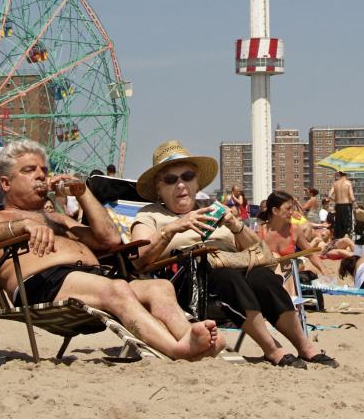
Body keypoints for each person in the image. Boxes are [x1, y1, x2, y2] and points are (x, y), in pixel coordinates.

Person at [0, 140, 224, 361]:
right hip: (40, 284)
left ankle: (191, 338)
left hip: (92, 278)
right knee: (117, 289)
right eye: (29, 170)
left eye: (44, 170)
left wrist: (82, 192)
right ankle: (177, 350)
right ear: (6, 183)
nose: (41, 176)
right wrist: (20, 226)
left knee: (160, 288)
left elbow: (109, 240)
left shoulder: (60, 219)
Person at [131, 140, 338, 369]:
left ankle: (305, 347)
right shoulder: (150, 215)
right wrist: (172, 228)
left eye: (187, 176)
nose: (180, 184)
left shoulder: (213, 208)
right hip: (187, 280)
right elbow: (138, 259)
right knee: (227, 276)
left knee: (264, 278)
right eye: (171, 180)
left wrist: (235, 226)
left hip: (233, 267)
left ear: (196, 182)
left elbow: (259, 251)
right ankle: (272, 348)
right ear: (159, 189)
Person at [258, 191, 337, 283]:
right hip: (267, 280)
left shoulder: (294, 230)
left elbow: (310, 253)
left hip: (288, 278)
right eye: (288, 208)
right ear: (275, 210)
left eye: (292, 208)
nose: (292, 212)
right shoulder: (259, 231)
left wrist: (324, 271)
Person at [328, 172, 359, 239]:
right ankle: (346, 240)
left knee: (339, 225)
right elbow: (351, 197)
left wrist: (336, 200)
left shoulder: (335, 183)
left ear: (339, 174)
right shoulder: (348, 183)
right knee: (347, 226)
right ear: (346, 174)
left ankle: (339, 240)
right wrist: (357, 207)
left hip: (338, 206)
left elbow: (329, 195)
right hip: (346, 206)